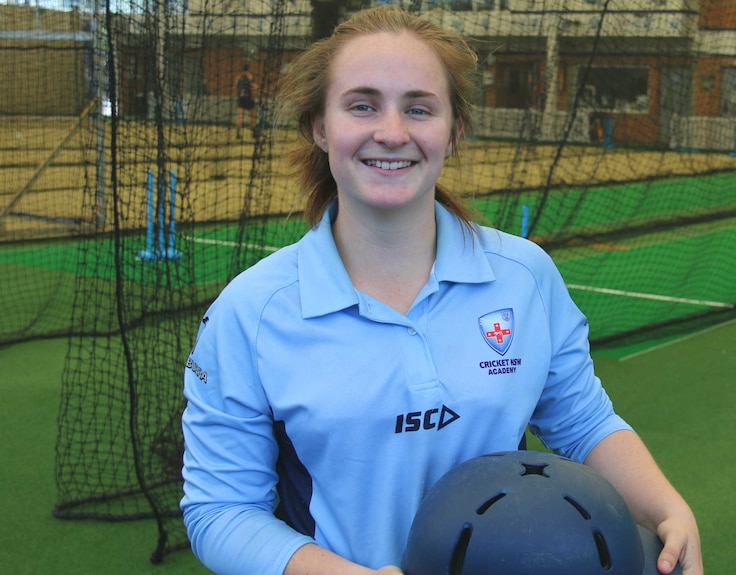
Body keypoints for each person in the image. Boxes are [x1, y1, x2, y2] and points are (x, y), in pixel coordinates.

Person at [181, 6, 703, 575]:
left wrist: (667, 506)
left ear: (453, 131)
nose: (392, 132)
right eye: (362, 105)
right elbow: (222, 511)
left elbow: (583, 423)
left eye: (419, 108)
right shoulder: (249, 313)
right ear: (320, 126)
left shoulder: (524, 276)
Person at [235, 63, 258, 137]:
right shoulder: (250, 77)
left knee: (240, 116)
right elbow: (255, 87)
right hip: (249, 98)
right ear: (248, 69)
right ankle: (254, 132)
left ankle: (238, 133)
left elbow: (235, 87)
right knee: (252, 115)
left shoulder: (239, 77)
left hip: (241, 98)